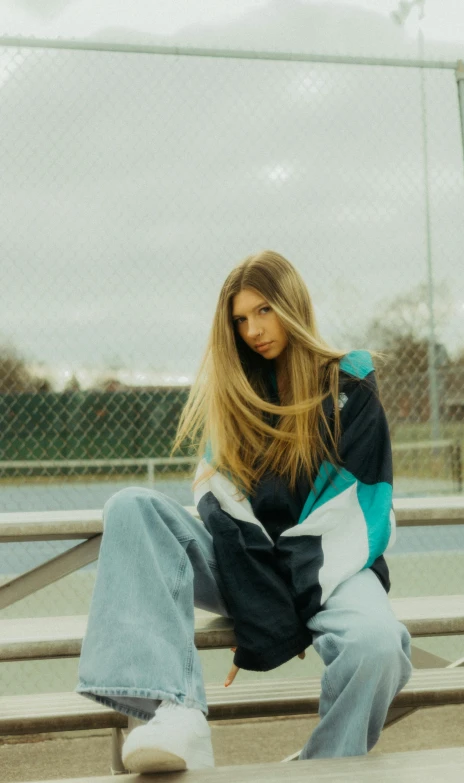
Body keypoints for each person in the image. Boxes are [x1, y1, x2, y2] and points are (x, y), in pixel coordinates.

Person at [76, 250, 412, 773]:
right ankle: (177, 714)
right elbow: (223, 509)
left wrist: (277, 613)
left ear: (292, 306)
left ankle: (324, 768)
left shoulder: (350, 381)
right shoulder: (234, 394)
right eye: (240, 319)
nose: (253, 329)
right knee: (131, 507)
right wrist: (263, 608)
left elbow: (355, 501)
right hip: (247, 562)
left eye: (264, 311)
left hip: (336, 563)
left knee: (379, 646)